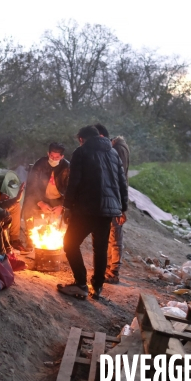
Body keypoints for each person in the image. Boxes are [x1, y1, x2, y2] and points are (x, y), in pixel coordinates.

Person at [58, 126, 128, 299]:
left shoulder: (81, 152)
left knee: (70, 243)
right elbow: (122, 183)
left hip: (86, 208)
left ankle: (81, 284)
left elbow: (74, 182)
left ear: (82, 139)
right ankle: (96, 287)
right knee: (100, 249)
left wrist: (67, 207)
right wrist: (122, 208)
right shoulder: (113, 153)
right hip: (108, 211)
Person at [94, 123, 130, 284]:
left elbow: (119, 180)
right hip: (111, 200)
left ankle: (113, 271)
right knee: (109, 236)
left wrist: (122, 208)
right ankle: (108, 268)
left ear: (101, 137)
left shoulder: (117, 151)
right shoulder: (115, 149)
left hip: (114, 201)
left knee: (115, 237)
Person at [23, 142, 70, 250]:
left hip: (59, 199)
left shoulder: (67, 167)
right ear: (48, 153)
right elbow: (32, 186)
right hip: (41, 196)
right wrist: (40, 202)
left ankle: (65, 245)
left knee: (70, 212)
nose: (53, 159)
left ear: (62, 156)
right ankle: (31, 241)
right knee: (28, 207)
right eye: (51, 156)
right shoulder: (40, 164)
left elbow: (70, 189)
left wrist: (62, 206)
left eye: (57, 157)